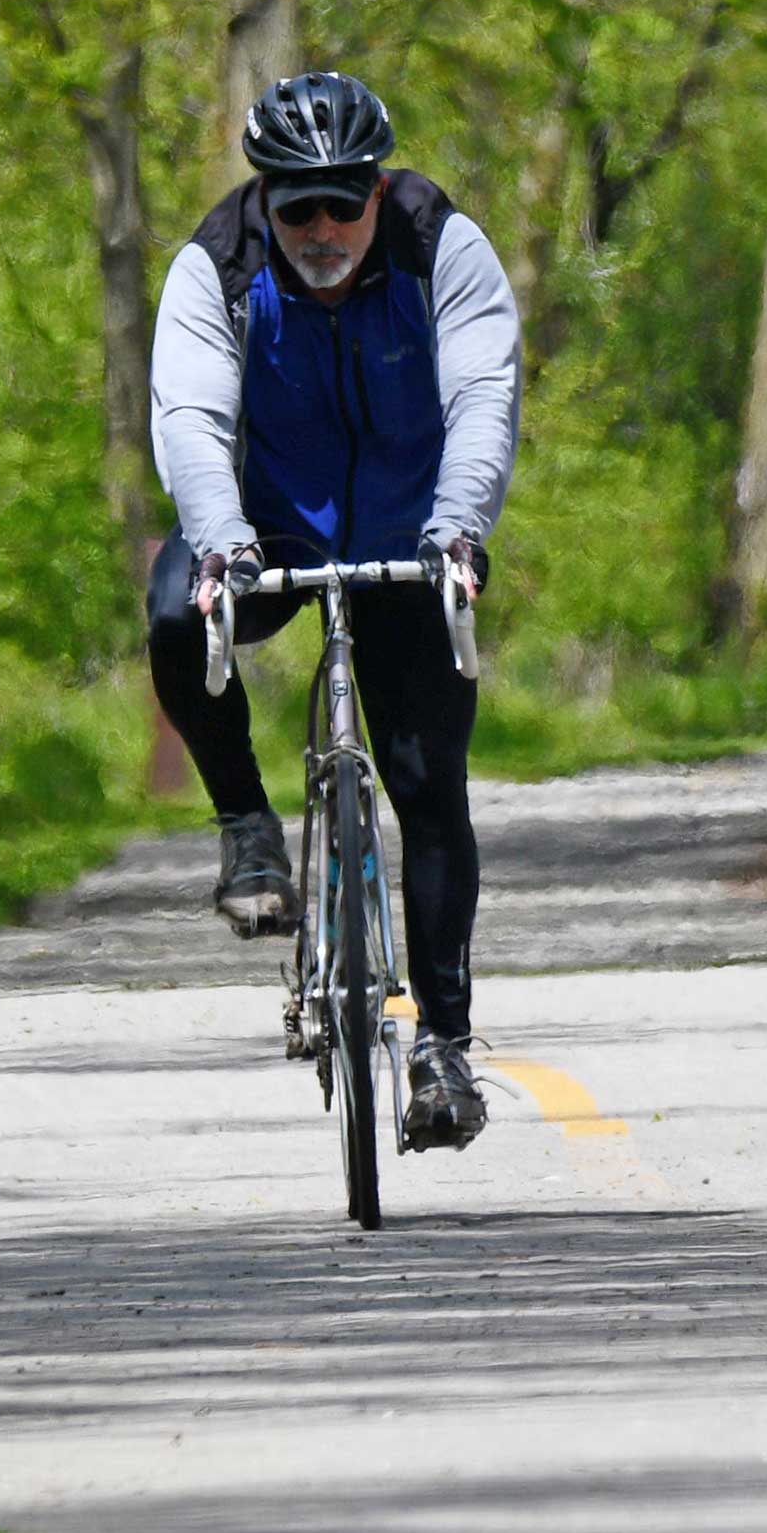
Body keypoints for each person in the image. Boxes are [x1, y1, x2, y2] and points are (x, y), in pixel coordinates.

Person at [145, 69, 518, 1150]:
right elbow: (189, 415)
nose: (319, 227)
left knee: (427, 784)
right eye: (293, 203)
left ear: (376, 188)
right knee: (174, 611)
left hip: (412, 534)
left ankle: (443, 1049)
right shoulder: (215, 266)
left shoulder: (440, 246)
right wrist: (221, 546)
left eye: (340, 203)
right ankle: (247, 828)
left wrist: (456, 531)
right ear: (263, 196)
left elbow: (484, 396)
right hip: (269, 530)